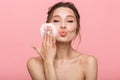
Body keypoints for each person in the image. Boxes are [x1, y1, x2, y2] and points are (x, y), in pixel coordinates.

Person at [27, 1, 98, 80]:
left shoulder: (89, 62)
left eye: (70, 21)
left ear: (77, 29)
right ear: (47, 27)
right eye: (56, 21)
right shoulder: (34, 63)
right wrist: (49, 62)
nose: (63, 25)